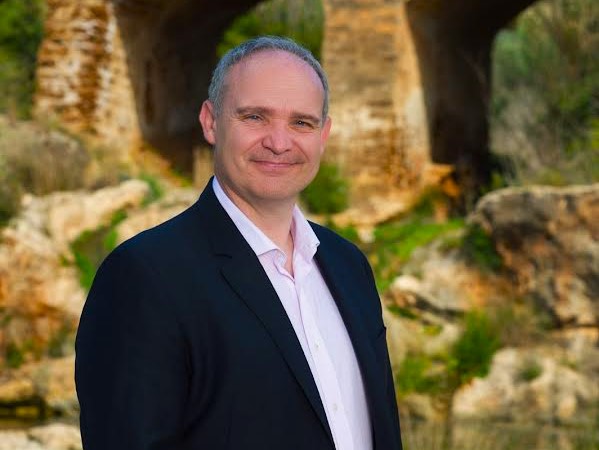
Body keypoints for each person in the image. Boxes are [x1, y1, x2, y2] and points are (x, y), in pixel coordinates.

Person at [75, 35, 403, 450]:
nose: (279, 142)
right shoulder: (144, 277)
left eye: (302, 123)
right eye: (255, 117)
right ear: (211, 122)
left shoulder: (349, 266)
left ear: (324, 135)